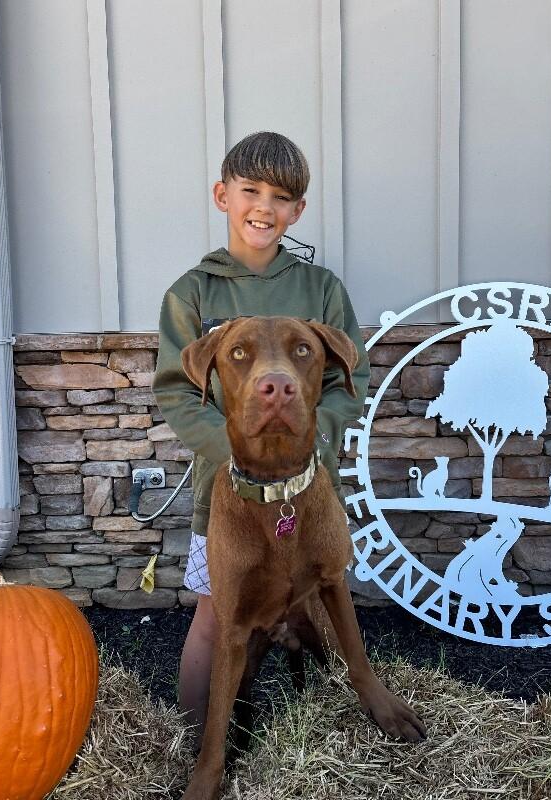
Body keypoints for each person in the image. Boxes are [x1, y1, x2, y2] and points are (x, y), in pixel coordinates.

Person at [152, 131, 370, 743]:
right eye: (250, 190)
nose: (264, 207)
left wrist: (310, 444)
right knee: (215, 621)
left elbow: (348, 384)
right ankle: (197, 746)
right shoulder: (193, 294)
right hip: (226, 498)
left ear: (298, 211)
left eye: (281, 197)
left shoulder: (320, 292)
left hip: (308, 493)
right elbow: (175, 391)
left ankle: (314, 740)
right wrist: (239, 457)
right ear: (223, 195)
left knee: (318, 609)